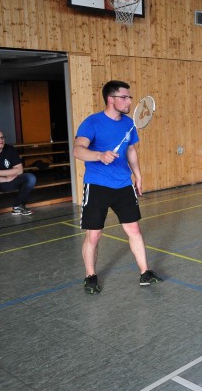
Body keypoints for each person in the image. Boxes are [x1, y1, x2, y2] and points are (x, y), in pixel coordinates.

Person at [74, 80, 162, 293]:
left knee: (134, 229)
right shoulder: (92, 122)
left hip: (123, 184)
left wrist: (138, 176)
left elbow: (131, 150)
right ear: (110, 99)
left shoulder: (128, 123)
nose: (129, 101)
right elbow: (78, 150)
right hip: (97, 185)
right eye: (125, 97)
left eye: (130, 97)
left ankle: (145, 272)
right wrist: (99, 155)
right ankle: (90, 276)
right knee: (94, 235)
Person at [0, 130, 37, 221]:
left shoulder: (10, 149)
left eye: (2, 137)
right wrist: (4, 179)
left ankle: (18, 206)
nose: (1, 140)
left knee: (30, 178)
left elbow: (19, 170)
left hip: (10, 181)